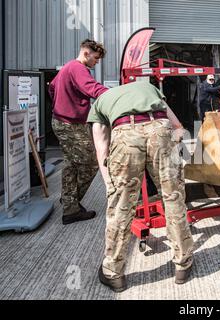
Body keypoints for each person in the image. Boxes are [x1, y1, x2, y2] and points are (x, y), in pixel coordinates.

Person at [88, 81, 194, 292]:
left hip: (125, 133)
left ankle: (113, 273)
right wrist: (172, 149)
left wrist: (109, 181)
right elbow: (177, 126)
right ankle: (183, 263)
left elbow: (102, 146)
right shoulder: (148, 87)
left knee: (121, 207)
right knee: (173, 198)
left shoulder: (100, 102)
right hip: (160, 128)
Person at [49, 39, 108, 225]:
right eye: (96, 58)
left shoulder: (67, 68)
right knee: (91, 162)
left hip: (62, 120)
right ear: (86, 53)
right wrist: (115, 95)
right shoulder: (78, 68)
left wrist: (62, 103)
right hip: (70, 124)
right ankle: (71, 202)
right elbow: (92, 88)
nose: (96, 62)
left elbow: (51, 88)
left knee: (71, 164)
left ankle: (69, 205)